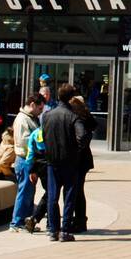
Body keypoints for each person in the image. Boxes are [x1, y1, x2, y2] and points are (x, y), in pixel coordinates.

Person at [36, 85, 80, 242]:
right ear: (70, 98)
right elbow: (81, 137)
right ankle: (65, 230)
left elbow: (43, 136)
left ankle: (53, 230)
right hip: (68, 161)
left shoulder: (47, 116)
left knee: (52, 196)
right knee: (69, 196)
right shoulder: (72, 116)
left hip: (52, 161)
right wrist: (75, 151)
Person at [9, 94, 46, 232]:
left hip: (29, 160)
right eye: (40, 108)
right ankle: (17, 222)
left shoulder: (31, 118)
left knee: (29, 192)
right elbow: (24, 141)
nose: (41, 111)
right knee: (24, 192)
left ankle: (26, 221)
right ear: (32, 105)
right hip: (24, 160)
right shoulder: (22, 119)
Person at [67, 95, 95, 233]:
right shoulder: (86, 118)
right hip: (83, 160)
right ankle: (80, 220)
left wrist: (74, 150)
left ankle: (79, 221)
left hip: (79, 160)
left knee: (76, 191)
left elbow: (82, 138)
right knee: (78, 191)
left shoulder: (80, 120)